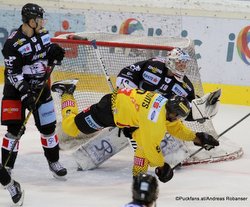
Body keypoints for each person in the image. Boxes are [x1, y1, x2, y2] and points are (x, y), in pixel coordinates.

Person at [51, 80, 219, 182]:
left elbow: (174, 126)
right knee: (70, 127)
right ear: (174, 113)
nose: (178, 120)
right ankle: (67, 92)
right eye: (178, 117)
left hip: (131, 117)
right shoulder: (154, 121)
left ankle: (138, 175)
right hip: (109, 110)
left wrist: (195, 137)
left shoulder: (166, 106)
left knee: (141, 141)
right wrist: (161, 165)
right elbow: (151, 147)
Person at [1, 3, 67, 180]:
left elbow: (45, 51)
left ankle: (54, 162)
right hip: (16, 90)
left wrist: (53, 52)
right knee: (14, 130)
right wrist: (24, 94)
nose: (42, 23)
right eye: (39, 20)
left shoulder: (43, 34)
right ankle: (6, 168)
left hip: (40, 86)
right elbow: (13, 75)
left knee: (48, 128)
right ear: (31, 21)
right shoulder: (12, 44)